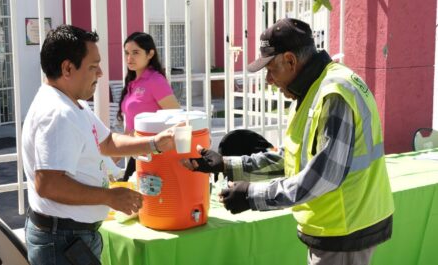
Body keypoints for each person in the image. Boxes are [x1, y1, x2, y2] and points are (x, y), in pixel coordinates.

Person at [183, 18, 394, 265]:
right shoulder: (312, 91)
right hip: (337, 225)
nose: (268, 81)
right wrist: (227, 165)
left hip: (346, 228)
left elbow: (323, 177)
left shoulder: (335, 93)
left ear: (291, 60)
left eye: (271, 70)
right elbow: (290, 158)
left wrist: (252, 196)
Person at [22, 25, 176, 265]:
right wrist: (109, 197)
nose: (101, 73)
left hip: (71, 237)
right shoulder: (57, 113)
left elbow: (107, 141)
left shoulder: (73, 104)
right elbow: (49, 184)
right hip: (62, 240)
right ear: (67, 68)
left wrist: (154, 143)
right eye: (93, 66)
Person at [117, 32, 180, 181]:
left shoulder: (155, 80)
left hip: (155, 154)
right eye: (127, 53)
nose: (129, 58)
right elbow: (130, 128)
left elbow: (177, 116)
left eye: (135, 53)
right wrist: (111, 158)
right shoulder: (133, 83)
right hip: (139, 152)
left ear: (150, 54)